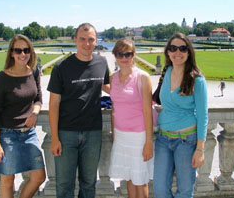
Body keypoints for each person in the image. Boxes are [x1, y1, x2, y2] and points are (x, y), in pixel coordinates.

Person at [47, 23, 110, 198]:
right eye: (82, 39)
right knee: (64, 184)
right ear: (75, 40)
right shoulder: (61, 67)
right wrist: (55, 138)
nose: (87, 43)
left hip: (93, 132)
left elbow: (107, 86)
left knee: (89, 183)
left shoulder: (102, 62)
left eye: (91, 39)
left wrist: (135, 92)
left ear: (96, 41)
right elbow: (53, 104)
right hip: (66, 133)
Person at [153, 33, 208, 198]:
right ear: (168, 52)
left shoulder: (197, 80)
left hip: (186, 141)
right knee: (160, 190)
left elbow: (203, 116)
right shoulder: (167, 71)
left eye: (182, 48)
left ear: (189, 52)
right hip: (163, 139)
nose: (178, 52)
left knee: (184, 191)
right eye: (173, 48)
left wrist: (200, 149)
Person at [0, 34, 46, 198]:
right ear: (12, 53)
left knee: (39, 177)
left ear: (30, 51)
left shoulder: (34, 72)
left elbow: (38, 99)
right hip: (7, 135)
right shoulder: (3, 77)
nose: (23, 54)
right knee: (7, 181)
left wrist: (35, 112)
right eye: (18, 50)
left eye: (26, 50)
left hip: (29, 133)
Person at [109, 38, 154, 198]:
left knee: (140, 180)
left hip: (139, 136)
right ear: (115, 55)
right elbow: (114, 107)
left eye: (128, 54)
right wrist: (114, 134)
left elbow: (147, 112)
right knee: (129, 177)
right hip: (121, 135)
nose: (124, 58)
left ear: (133, 55)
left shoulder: (142, 77)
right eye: (120, 54)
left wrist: (148, 141)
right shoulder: (113, 78)